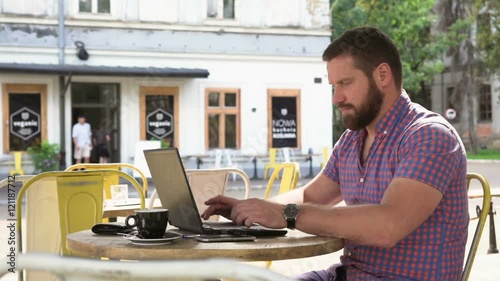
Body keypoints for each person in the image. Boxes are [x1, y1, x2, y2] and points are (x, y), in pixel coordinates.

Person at [202, 27, 468, 281]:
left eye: (345, 83)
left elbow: (388, 225)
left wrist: (287, 214)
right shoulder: (354, 138)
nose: (336, 98)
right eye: (333, 86)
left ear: (383, 75)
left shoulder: (429, 136)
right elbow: (310, 195)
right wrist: (253, 209)